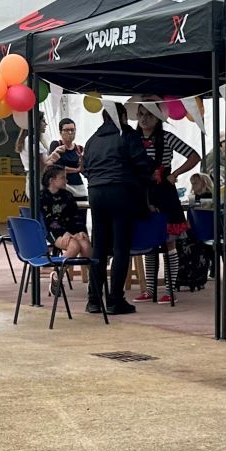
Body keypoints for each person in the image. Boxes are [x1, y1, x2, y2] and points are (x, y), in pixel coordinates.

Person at [82, 108, 154, 314]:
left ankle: (94, 300)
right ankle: (115, 300)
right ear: (121, 117)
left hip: (96, 193)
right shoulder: (127, 135)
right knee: (121, 247)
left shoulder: (92, 140)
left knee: (99, 247)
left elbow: (85, 167)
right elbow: (142, 164)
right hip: (121, 191)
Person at [135, 104, 201, 303]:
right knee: (149, 240)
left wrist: (175, 174)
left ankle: (170, 289)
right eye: (141, 114)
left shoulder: (167, 137)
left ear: (157, 118)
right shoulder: (132, 139)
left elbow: (194, 155)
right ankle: (150, 289)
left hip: (164, 191)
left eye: (149, 115)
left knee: (168, 240)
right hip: (143, 192)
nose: (144, 119)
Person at [38, 164, 91, 293]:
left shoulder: (68, 195)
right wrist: (64, 233)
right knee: (74, 246)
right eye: (63, 178)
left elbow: (76, 216)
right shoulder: (42, 197)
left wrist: (80, 231)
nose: (66, 181)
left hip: (71, 229)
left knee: (84, 244)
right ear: (52, 180)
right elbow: (49, 220)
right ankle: (57, 275)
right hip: (53, 231)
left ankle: (95, 278)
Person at [45, 118, 85, 194]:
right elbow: (56, 167)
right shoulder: (57, 145)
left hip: (78, 186)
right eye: (66, 130)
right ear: (61, 132)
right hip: (62, 185)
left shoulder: (79, 149)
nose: (70, 133)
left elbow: (83, 169)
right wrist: (76, 170)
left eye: (72, 130)